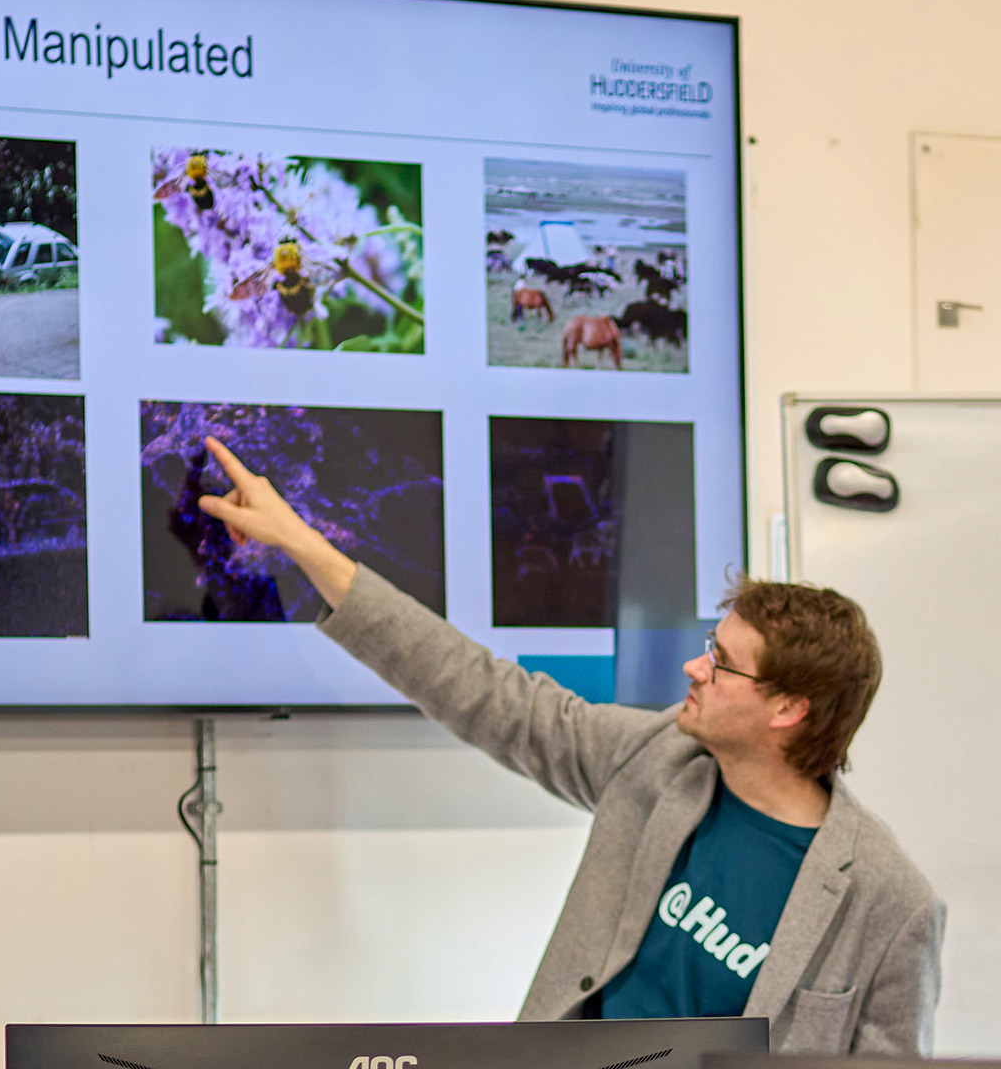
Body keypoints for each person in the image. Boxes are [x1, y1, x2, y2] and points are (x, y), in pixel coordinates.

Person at [193, 436, 944, 1054]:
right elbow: (479, 689)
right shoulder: (655, 759)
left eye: (721, 663)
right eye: (707, 647)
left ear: (789, 708)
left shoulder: (887, 899)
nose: (694, 667)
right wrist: (297, 540)